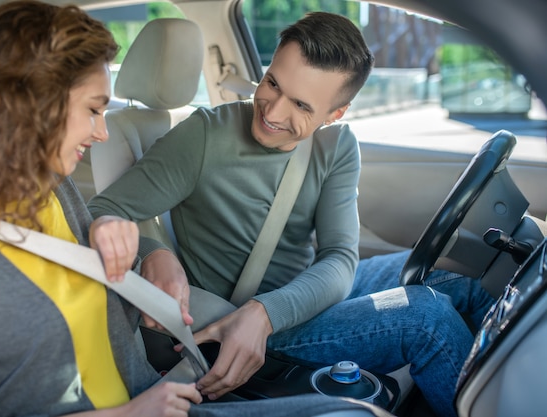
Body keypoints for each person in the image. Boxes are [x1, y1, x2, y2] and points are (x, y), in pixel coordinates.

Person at [0, 2, 399, 417]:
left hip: (160, 394)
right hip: (155, 393)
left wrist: (150, 254)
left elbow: (106, 233)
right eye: (93, 110)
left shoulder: (54, 189)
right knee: (421, 324)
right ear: (32, 105)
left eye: (299, 104)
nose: (103, 131)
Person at [88, 11, 495, 417]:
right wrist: (156, 252)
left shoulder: (336, 147)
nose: (273, 112)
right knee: (428, 317)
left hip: (290, 303)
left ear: (335, 114)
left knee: (466, 271)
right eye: (272, 83)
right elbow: (104, 210)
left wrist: (267, 313)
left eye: (301, 104)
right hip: (238, 321)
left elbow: (339, 256)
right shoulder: (203, 135)